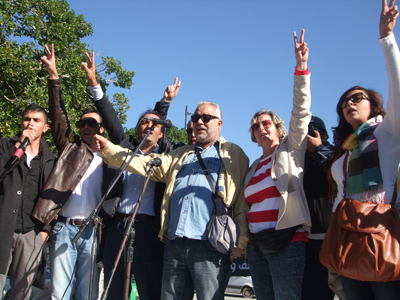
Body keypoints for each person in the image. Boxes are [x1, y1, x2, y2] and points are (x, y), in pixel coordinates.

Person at [92, 101, 250, 300]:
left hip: (211, 246)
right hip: (175, 244)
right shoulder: (180, 154)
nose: (199, 121)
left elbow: (241, 202)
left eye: (206, 118)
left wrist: (241, 241)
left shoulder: (233, 154)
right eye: (195, 118)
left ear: (220, 124)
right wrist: (108, 149)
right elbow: (143, 162)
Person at [80, 51, 182, 300]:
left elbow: (160, 122)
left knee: (149, 288)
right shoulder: (123, 147)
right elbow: (110, 114)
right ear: (137, 129)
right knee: (114, 288)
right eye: (143, 123)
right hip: (118, 226)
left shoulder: (168, 154)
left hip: (150, 230)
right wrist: (94, 81)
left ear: (162, 134)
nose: (148, 127)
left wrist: (164, 104)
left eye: (153, 126)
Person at [326, 1, 400, 299]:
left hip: (381, 232)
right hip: (347, 235)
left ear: (373, 103)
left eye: (357, 97)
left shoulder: (388, 131)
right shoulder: (345, 149)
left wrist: (387, 39)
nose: (349, 104)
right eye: (344, 103)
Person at [32, 44, 103, 300]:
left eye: (92, 123)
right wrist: (54, 76)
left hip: (93, 231)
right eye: (82, 122)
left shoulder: (110, 157)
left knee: (87, 294)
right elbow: (58, 114)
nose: (86, 126)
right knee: (59, 293)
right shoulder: (69, 149)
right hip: (63, 229)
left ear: (102, 129)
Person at [244, 29, 311, 300]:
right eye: (256, 126)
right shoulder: (252, 168)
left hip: (287, 242)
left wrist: (301, 68)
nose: (261, 128)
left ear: (278, 128)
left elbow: (301, 110)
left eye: (266, 123)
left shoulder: (291, 149)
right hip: (257, 247)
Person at [0, 104, 55, 300]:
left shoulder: (50, 160)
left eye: (36, 120)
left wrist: (44, 232)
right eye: (27, 119)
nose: (30, 124)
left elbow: (54, 198)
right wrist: (17, 148)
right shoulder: (5, 146)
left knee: (21, 293)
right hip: (3, 227)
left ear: (45, 128)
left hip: (31, 232)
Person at [302, 116, 336, 300]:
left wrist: (318, 150)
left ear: (323, 134)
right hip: (304, 239)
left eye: (311, 131)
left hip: (330, 238)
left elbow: (337, 175)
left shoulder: (333, 153)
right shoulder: (298, 160)